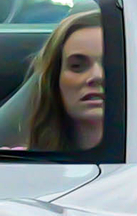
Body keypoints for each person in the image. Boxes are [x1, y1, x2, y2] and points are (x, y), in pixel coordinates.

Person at [18, 11, 107, 152]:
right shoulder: (14, 165)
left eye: (110, 65)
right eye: (77, 66)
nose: (97, 76)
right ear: (55, 81)